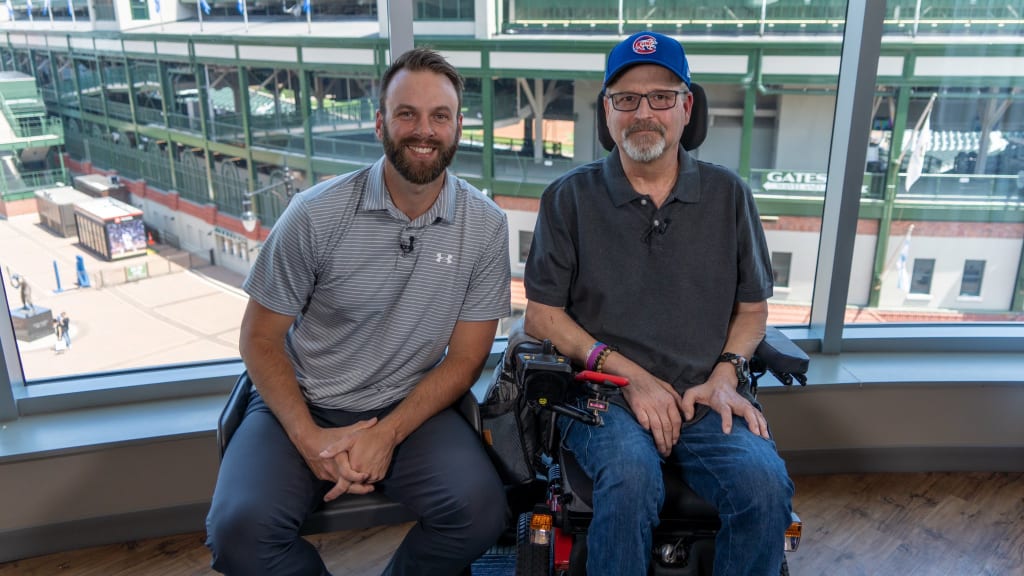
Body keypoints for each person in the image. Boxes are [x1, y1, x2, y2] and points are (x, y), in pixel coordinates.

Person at [205, 48, 512, 576]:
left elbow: (465, 360)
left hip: (410, 408)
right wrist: (310, 439)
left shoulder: (484, 226)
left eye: (440, 116)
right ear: (379, 124)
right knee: (237, 533)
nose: (424, 130)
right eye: (406, 114)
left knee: (482, 514)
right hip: (304, 402)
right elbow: (259, 339)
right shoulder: (315, 214)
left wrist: (385, 435)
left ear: (459, 127)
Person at [523, 31, 793, 576]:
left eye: (661, 97)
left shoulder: (728, 195)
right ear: (607, 111)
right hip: (602, 396)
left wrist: (726, 374)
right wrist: (631, 378)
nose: (643, 113)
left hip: (703, 395)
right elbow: (541, 316)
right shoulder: (568, 198)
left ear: (686, 107)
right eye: (626, 99)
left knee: (765, 488)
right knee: (630, 477)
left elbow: (752, 310)